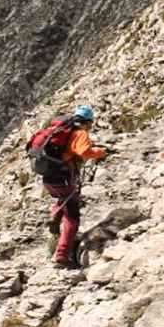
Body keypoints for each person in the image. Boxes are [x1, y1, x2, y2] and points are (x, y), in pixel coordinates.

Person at [28, 105, 109, 269]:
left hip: (49, 178)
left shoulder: (60, 132)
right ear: (87, 122)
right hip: (64, 178)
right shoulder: (80, 133)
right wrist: (101, 152)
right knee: (72, 218)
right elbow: (84, 152)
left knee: (62, 200)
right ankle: (61, 256)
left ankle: (55, 217)